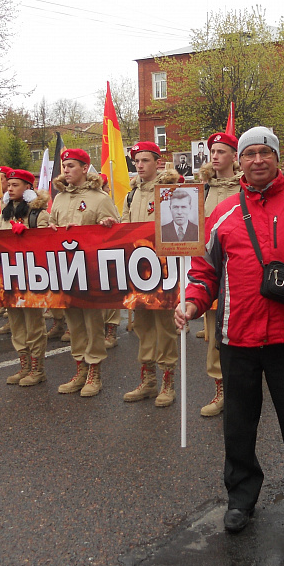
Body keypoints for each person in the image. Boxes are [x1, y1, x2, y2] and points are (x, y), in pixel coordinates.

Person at [175, 126, 284, 537]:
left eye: (263, 153)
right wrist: (192, 302)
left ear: (276, 158)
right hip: (238, 337)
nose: (256, 160)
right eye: (249, 153)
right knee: (238, 424)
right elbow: (205, 271)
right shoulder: (223, 214)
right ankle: (240, 499)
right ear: (240, 160)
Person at [49, 148, 119, 396]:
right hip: (64, 271)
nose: (66, 170)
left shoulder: (99, 198)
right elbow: (49, 229)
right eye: (64, 166)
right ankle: (79, 369)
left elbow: (115, 234)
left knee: (93, 323)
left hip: (90, 272)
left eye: (71, 166)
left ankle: (94, 373)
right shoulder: (58, 198)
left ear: (84, 168)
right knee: (74, 324)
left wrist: (105, 227)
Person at [121, 141, 182, 407]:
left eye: (145, 160)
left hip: (165, 269)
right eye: (136, 161)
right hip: (139, 269)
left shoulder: (171, 191)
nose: (140, 165)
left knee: (165, 326)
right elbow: (124, 229)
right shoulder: (130, 195)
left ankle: (168, 380)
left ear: (158, 162)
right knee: (142, 325)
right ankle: (148, 380)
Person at [194, 132, 242, 416]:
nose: (215, 155)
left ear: (234, 156)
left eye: (221, 151)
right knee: (214, 333)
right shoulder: (202, 189)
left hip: (243, 273)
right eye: (212, 151)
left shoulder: (244, 187)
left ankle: (245, 386)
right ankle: (221, 389)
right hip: (213, 273)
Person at [0, 169, 52, 386]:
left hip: (32, 276)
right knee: (16, 323)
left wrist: (27, 237)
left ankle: (38, 368)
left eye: (15, 185)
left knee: (33, 323)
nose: (10, 188)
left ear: (28, 188)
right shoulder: (4, 213)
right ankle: (24, 365)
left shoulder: (38, 215)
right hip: (9, 275)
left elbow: (48, 247)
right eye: (9, 185)